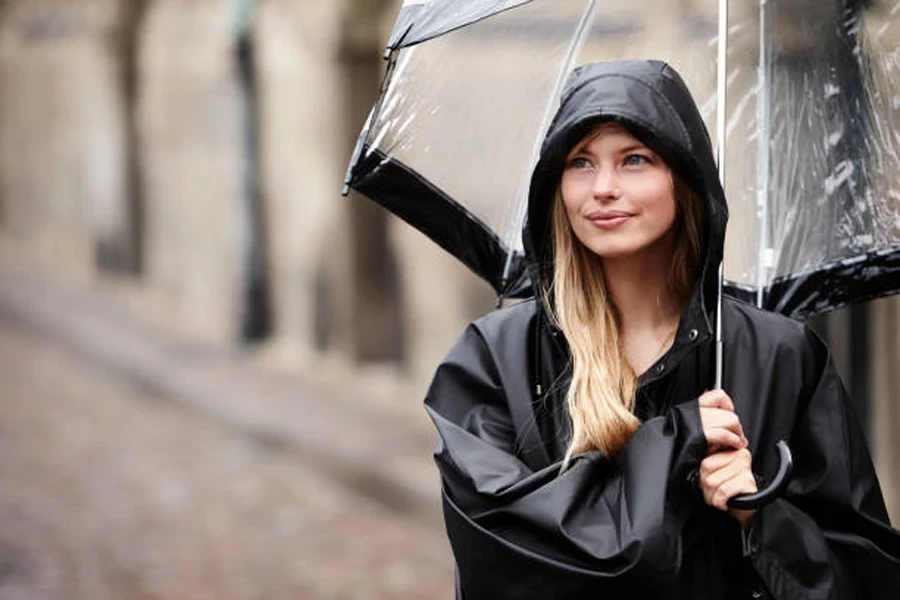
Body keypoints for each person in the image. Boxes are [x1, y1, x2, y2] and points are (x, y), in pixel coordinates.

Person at [424, 60, 900, 599]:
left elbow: (866, 578)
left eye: (634, 160)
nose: (603, 188)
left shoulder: (779, 355)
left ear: (685, 180)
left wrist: (761, 518)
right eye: (580, 163)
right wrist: (679, 443)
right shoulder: (494, 357)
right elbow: (504, 557)